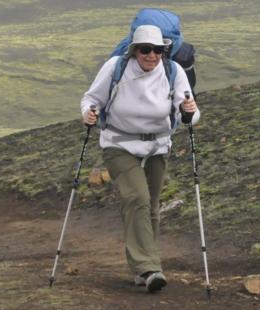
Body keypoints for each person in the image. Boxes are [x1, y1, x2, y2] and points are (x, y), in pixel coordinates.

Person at [80, 24, 199, 293]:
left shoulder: (173, 71)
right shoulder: (115, 68)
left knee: (151, 206)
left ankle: (142, 268)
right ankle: (149, 268)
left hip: (158, 146)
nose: (152, 55)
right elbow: (91, 99)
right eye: (145, 50)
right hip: (119, 144)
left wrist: (189, 111)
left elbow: (189, 113)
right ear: (134, 50)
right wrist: (88, 113)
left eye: (158, 50)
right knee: (137, 198)